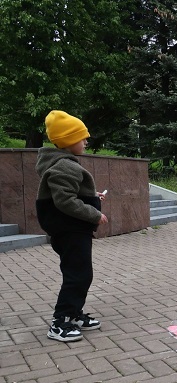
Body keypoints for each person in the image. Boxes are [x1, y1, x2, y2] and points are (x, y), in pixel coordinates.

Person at [36, 110, 108, 342]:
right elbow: (65, 201)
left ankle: (74, 314)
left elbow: (68, 193)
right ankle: (60, 322)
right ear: (68, 140)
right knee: (79, 275)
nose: (86, 142)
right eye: (82, 138)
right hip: (70, 230)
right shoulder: (64, 166)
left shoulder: (62, 164)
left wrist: (92, 195)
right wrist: (94, 214)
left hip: (71, 229)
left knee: (79, 273)